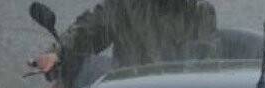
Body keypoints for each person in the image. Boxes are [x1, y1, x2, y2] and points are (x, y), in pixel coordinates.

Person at [34, 0, 221, 73]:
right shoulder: (124, 6)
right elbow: (90, 28)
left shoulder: (200, 14)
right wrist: (58, 53)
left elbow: (207, 63)